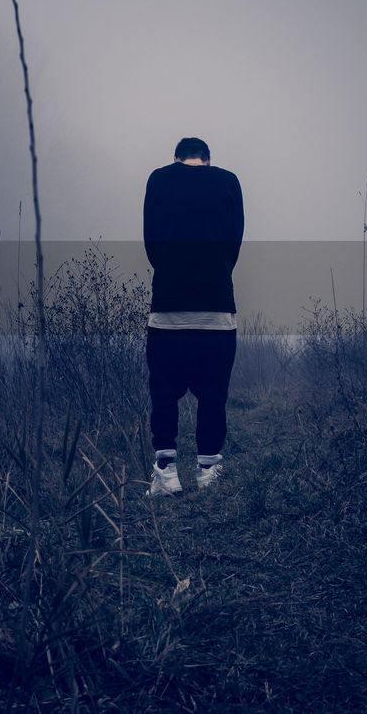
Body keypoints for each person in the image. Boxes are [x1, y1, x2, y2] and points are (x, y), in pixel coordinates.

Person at [142, 136, 244, 496]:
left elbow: (150, 241)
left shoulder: (158, 179)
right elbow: (235, 242)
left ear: (175, 159)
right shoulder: (228, 182)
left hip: (167, 310)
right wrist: (215, 274)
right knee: (213, 395)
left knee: (164, 394)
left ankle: (167, 475)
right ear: (208, 159)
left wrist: (171, 272)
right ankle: (208, 471)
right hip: (216, 311)